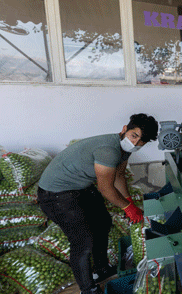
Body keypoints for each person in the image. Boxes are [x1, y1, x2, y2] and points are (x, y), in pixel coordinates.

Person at [37, 114, 159, 294]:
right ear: (125, 129)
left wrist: (129, 202)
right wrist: (127, 208)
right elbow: (105, 188)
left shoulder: (124, 151)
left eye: (141, 141)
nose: (135, 142)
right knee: (83, 240)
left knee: (103, 222)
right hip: (55, 194)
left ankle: (101, 269)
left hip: (78, 188)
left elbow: (118, 176)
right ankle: (88, 289)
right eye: (134, 135)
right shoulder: (108, 150)